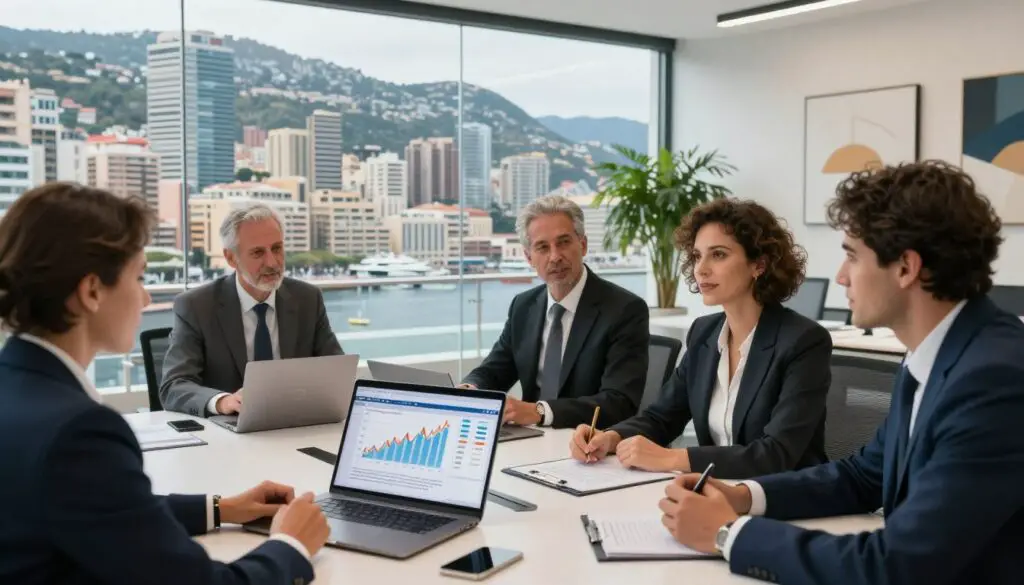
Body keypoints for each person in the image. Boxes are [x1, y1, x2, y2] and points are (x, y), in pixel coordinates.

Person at [660, 161, 1024, 585]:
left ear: (906, 267)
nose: (841, 276)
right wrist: (741, 497)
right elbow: (862, 476)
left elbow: (896, 566)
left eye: (852, 255)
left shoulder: (993, 380)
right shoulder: (932, 354)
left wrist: (727, 535)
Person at [0, 183, 330, 584]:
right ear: (90, 291)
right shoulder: (80, 433)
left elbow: (99, 507)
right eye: (138, 278)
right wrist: (290, 545)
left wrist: (219, 508)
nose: (144, 299)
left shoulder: (16, 391)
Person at [569, 198, 832, 478]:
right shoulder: (704, 333)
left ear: (759, 264)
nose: (701, 268)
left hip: (784, 500)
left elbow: (776, 454)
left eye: (718, 254)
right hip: (715, 493)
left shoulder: (803, 341)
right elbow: (662, 417)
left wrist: (673, 458)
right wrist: (610, 438)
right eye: (697, 256)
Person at [460, 195, 650, 429]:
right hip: (530, 440)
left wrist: (538, 412)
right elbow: (494, 370)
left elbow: (618, 402)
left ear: (583, 245)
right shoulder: (523, 306)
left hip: (588, 445)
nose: (555, 256)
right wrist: (470, 389)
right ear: (529, 257)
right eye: (542, 247)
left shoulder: (624, 310)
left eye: (564, 242)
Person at [161, 203, 343, 417]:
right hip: (229, 432)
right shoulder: (197, 306)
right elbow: (174, 386)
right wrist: (222, 402)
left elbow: (337, 371)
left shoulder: (307, 299)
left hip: (293, 423)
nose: (272, 262)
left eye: (277, 248)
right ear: (231, 258)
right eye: (258, 253)